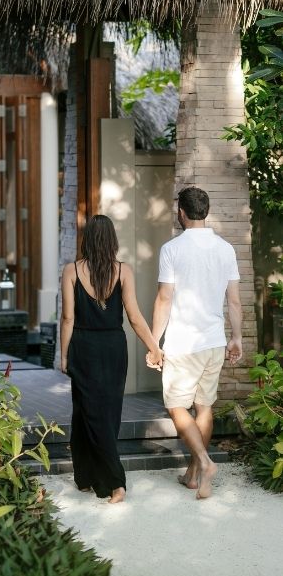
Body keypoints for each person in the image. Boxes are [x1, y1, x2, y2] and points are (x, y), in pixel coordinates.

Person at [60, 215, 163, 503]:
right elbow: (134, 317)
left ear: (87, 239)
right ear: (112, 240)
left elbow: (68, 318)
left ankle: (115, 483)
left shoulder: (71, 270)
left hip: (82, 345)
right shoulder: (124, 271)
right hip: (113, 347)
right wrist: (153, 346)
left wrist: (64, 355)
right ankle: (86, 477)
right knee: (93, 412)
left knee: (90, 412)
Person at [148, 186, 243, 499]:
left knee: (176, 407)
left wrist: (154, 342)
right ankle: (193, 476)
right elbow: (234, 301)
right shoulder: (225, 249)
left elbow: (164, 298)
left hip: (182, 344)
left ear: (181, 212)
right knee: (204, 407)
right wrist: (237, 337)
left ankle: (204, 461)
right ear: (207, 211)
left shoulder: (172, 249)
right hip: (214, 341)